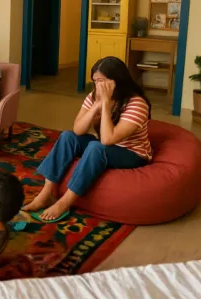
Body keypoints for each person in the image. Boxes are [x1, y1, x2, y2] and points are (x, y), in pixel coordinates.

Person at [22, 56, 153, 222]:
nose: (98, 86)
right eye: (95, 81)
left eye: (101, 81)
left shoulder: (136, 103)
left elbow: (107, 140)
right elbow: (78, 129)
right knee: (68, 136)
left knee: (96, 148)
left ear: (116, 81)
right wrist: (96, 105)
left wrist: (106, 104)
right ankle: (45, 194)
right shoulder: (94, 96)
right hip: (108, 144)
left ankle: (65, 202)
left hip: (132, 153)